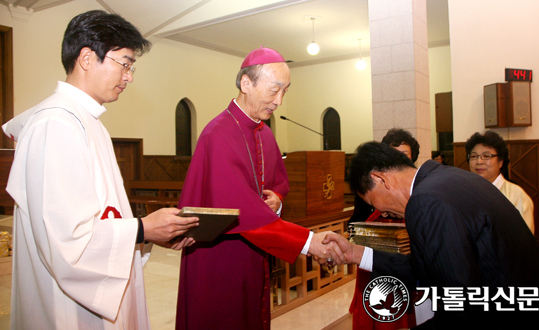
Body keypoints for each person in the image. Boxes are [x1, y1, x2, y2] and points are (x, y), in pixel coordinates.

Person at [2, 10, 199, 330]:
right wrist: (143, 229)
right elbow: (66, 239)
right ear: (86, 58)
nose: (130, 76)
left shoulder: (86, 122)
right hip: (69, 309)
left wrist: (149, 235)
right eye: (125, 63)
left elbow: (103, 215)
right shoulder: (56, 124)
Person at [175, 46, 342, 330]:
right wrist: (308, 242)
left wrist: (277, 198)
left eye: (284, 92)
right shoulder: (218, 134)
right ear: (246, 83)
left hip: (255, 251)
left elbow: (277, 183)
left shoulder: (263, 131)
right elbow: (241, 209)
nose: (278, 101)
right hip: (220, 258)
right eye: (274, 90)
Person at [324, 141, 539, 329]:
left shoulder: (425, 201)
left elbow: (460, 310)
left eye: (373, 202)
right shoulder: (448, 178)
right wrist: (356, 253)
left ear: (382, 180)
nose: (382, 212)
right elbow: (429, 268)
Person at [348, 129, 421, 329]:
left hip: (406, 264)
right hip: (374, 257)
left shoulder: (420, 192)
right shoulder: (370, 188)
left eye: (402, 155)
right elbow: (355, 222)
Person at [465, 130, 534, 234]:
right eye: (474, 156)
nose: (479, 161)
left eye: (486, 156)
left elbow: (524, 241)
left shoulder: (517, 195)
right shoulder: (463, 191)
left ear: (501, 162)